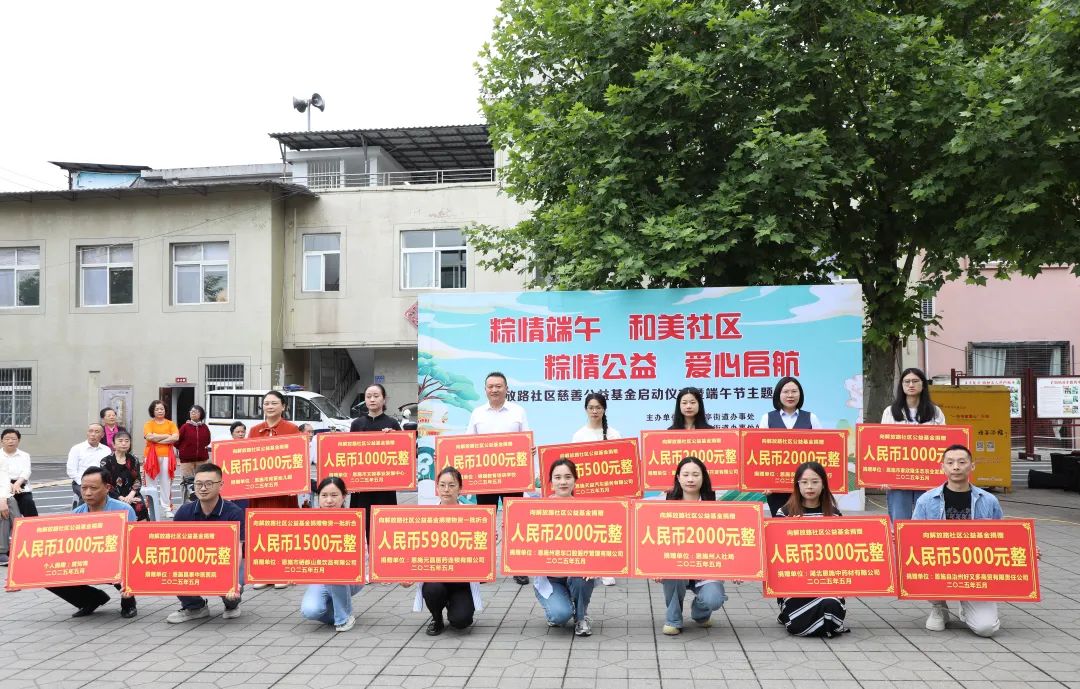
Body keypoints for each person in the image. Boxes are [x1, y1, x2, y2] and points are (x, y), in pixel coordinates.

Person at [914, 444, 1004, 637]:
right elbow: (913, 539)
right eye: (950, 462)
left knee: (986, 628)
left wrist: (1027, 549)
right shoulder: (926, 501)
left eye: (962, 462)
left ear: (972, 466)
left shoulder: (989, 500)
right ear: (942, 467)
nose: (956, 467)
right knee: (919, 560)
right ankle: (939, 606)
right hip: (939, 565)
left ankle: (967, 603)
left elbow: (1003, 538)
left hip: (976, 571)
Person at [46, 466, 137, 618]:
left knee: (127, 562)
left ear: (107, 488)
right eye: (84, 488)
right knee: (49, 572)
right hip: (86, 563)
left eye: (93, 488)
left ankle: (128, 602)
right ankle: (91, 599)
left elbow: (133, 544)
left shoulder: (124, 510)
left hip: (116, 561)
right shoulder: (76, 514)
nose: (87, 493)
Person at [467, 371, 531, 585]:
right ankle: (483, 567)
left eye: (498, 386)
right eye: (490, 386)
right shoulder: (477, 413)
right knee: (484, 521)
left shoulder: (518, 411)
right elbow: (467, 444)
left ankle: (518, 567)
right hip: (484, 478)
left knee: (515, 521)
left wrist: (529, 449)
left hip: (512, 477)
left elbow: (526, 440)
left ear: (506, 389)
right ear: (485, 390)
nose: (494, 390)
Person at [405, 466, 484, 635]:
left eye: (451, 485)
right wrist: (407, 574)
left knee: (461, 621)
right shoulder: (425, 516)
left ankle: (453, 604)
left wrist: (489, 542)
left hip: (461, 580)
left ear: (460, 488)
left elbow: (481, 550)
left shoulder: (474, 515)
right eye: (442, 485)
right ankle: (437, 617)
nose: (446, 490)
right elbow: (416, 549)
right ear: (437, 488)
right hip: (436, 578)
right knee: (433, 590)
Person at [774, 461, 849, 638]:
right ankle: (789, 614)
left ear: (823, 484)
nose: (809, 486)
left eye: (815, 482)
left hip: (826, 580)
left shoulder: (834, 514)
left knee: (831, 606)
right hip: (795, 581)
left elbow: (842, 551)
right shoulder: (785, 513)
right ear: (797, 485)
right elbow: (776, 553)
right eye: (804, 482)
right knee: (798, 625)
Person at [167, 463, 246, 623]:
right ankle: (195, 607)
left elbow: (238, 549)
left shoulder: (234, 512)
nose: (203, 488)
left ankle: (231, 605)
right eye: (198, 484)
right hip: (194, 562)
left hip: (225, 563)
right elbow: (175, 548)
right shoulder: (184, 512)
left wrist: (232, 580)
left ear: (221, 485)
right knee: (171, 571)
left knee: (233, 588)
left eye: (209, 484)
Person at [658, 456, 727, 635]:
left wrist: (737, 569)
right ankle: (673, 619)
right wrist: (654, 567)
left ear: (703, 477)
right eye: (686, 474)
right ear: (678, 478)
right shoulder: (665, 506)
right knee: (671, 574)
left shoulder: (717, 507)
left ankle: (701, 612)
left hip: (707, 566)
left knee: (714, 599)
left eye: (696, 475)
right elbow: (655, 540)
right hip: (677, 564)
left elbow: (728, 540)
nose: (690, 479)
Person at [534, 458, 595, 636]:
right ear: (550, 482)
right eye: (558, 477)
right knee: (560, 616)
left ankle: (581, 617)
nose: (563, 482)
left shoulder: (587, 510)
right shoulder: (537, 509)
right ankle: (559, 607)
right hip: (551, 578)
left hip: (576, 573)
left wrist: (594, 565)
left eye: (568, 477)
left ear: (575, 480)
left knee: (583, 579)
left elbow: (595, 543)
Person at [248, 390, 302, 590]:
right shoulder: (254, 430)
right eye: (266, 403)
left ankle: (284, 572)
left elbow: (298, 458)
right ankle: (264, 572)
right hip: (260, 490)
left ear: (283, 406)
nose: (269, 406)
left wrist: (296, 483)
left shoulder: (292, 429)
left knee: (283, 529)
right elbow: (246, 459)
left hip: (283, 491)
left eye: (274, 403)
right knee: (262, 528)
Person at [299, 476, 365, 632]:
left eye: (334, 495)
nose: (329, 500)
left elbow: (363, 556)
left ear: (344, 496)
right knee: (310, 611)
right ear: (318, 497)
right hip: (319, 578)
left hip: (349, 577)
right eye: (324, 495)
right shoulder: (308, 521)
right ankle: (338, 609)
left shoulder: (353, 520)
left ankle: (344, 618)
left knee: (334, 568)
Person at [881, 367, 946, 522]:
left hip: (927, 475)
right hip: (897, 475)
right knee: (899, 521)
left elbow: (944, 444)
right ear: (901, 385)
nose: (911, 385)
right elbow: (882, 444)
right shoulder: (890, 412)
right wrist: (883, 476)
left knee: (926, 521)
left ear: (923, 385)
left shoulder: (935, 412)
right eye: (907, 381)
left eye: (915, 381)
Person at [572, 393, 619, 586]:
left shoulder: (614, 434)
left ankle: (607, 568)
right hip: (586, 490)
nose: (594, 411)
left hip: (608, 491)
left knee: (606, 528)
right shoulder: (579, 435)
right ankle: (590, 565)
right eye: (591, 407)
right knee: (588, 528)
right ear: (585, 410)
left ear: (604, 409)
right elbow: (573, 465)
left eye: (598, 407)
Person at [759, 377, 822, 517]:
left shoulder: (811, 418)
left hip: (806, 483)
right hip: (776, 484)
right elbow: (760, 452)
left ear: (800, 394)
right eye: (786, 391)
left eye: (794, 391)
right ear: (778, 394)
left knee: (805, 523)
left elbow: (822, 449)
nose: (790, 395)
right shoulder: (767, 418)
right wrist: (765, 482)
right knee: (780, 522)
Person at [348, 384, 401, 533]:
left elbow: (403, 454)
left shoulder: (392, 424)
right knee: (362, 524)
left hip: (385, 485)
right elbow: (349, 453)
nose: (372, 399)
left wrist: (394, 438)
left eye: (376, 396)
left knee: (384, 526)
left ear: (384, 399)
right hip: (361, 484)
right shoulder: (356, 424)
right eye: (368, 396)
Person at [143, 400, 179, 518]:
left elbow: (175, 438)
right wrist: (167, 436)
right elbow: (149, 437)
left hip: (167, 456)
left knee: (166, 482)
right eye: (157, 409)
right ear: (152, 411)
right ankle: (150, 508)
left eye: (162, 409)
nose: (160, 411)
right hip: (151, 456)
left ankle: (167, 508)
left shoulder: (170, 424)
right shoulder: (149, 424)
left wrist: (157, 439)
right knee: (150, 482)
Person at [101, 431, 148, 521]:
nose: (124, 443)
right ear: (113, 444)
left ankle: (140, 529)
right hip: (112, 495)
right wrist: (120, 498)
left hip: (131, 493)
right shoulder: (106, 461)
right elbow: (106, 483)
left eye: (127, 441)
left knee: (140, 507)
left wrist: (130, 496)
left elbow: (137, 480)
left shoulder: (133, 459)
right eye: (120, 441)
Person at [67, 424, 111, 507]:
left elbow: (108, 469)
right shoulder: (77, 449)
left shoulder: (106, 450)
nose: (93, 434)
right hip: (80, 482)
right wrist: (83, 483)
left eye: (97, 432)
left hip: (100, 482)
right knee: (87, 495)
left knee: (111, 496)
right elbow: (71, 470)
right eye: (90, 431)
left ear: (102, 435)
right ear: (87, 433)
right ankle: (81, 514)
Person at [176, 405, 211, 501]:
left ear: (201, 414)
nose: (193, 413)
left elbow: (207, 441)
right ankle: (186, 503)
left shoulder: (204, 427)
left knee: (202, 482)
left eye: (196, 411)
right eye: (191, 411)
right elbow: (177, 441)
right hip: (187, 461)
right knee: (186, 482)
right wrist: (184, 449)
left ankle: (201, 502)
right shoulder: (185, 427)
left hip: (202, 460)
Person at [2, 428, 37, 517]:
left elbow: (26, 471)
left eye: (13, 439)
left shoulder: (25, 455)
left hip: (20, 486)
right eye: (7, 439)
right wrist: (9, 485)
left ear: (18, 440)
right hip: (2, 487)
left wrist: (17, 483)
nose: (10, 441)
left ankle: (32, 524)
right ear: (1, 440)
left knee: (28, 502)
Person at [0, 458, 19, 566]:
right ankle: (2, 551)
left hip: (4, 495)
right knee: (3, 512)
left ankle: (19, 546)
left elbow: (4, 480)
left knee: (10, 502)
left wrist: (2, 499)